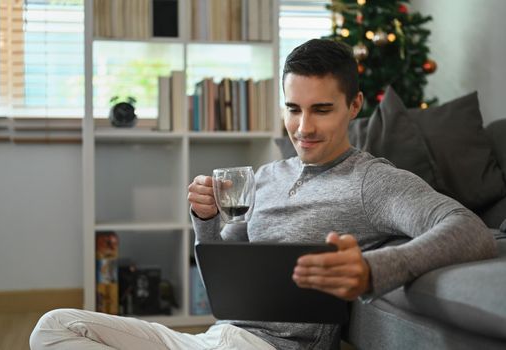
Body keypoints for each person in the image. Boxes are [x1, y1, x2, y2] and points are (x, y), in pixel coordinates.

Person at [30, 39, 497, 350]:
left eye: (321, 110)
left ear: (355, 106)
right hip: (217, 337)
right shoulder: (267, 175)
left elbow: (467, 229)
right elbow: (230, 276)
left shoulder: (372, 181)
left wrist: (374, 269)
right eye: (293, 108)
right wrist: (206, 217)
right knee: (53, 326)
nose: (303, 127)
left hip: (274, 347)